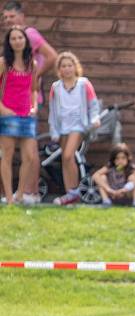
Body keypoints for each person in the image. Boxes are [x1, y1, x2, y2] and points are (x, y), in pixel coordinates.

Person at [3, 1, 56, 204]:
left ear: (22, 16)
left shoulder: (30, 34)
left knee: (30, 149)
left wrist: (34, 76)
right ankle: (19, 194)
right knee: (13, 150)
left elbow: (52, 56)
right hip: (11, 104)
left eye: (12, 17)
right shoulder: (10, 42)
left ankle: (31, 193)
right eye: (5, 18)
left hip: (30, 101)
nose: (8, 21)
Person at [48, 51, 100, 206]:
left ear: (75, 67)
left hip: (79, 125)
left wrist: (94, 118)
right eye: (63, 66)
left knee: (68, 155)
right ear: (59, 69)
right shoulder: (55, 87)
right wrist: (53, 130)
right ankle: (71, 193)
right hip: (62, 126)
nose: (67, 69)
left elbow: (93, 105)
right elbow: (53, 110)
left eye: (70, 65)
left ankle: (73, 191)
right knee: (66, 158)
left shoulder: (84, 83)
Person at [0, 26, 37, 206]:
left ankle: (20, 194)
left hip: (27, 116)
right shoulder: (3, 63)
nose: (17, 41)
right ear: (9, 43)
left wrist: (34, 106)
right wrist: (2, 109)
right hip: (8, 116)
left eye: (20, 38)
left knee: (29, 157)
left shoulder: (32, 64)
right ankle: (8, 199)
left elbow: (34, 90)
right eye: (13, 38)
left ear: (25, 40)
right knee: (7, 156)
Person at [91, 143, 135, 208]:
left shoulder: (130, 167)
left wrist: (125, 189)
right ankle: (106, 201)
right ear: (113, 160)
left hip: (125, 194)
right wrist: (108, 189)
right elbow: (95, 176)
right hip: (112, 194)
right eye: (117, 158)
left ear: (128, 158)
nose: (120, 161)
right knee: (102, 177)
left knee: (133, 178)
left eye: (123, 158)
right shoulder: (109, 167)